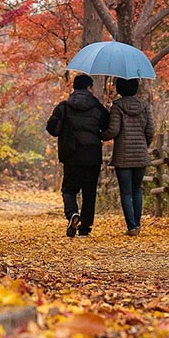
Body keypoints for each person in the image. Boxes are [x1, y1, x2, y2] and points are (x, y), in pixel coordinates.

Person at [46, 74, 109, 237]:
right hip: (92, 155)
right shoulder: (97, 108)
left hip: (71, 154)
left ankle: (72, 213)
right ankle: (85, 228)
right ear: (89, 88)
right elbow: (107, 126)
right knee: (89, 192)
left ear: (74, 88)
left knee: (69, 189)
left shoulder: (64, 107)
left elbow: (52, 129)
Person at [101, 77, 154, 236]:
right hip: (140, 155)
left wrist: (101, 135)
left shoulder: (117, 106)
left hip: (123, 156)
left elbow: (113, 131)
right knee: (137, 189)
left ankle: (131, 227)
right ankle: (137, 224)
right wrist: (144, 146)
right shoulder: (144, 106)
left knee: (126, 192)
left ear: (119, 88)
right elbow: (150, 130)